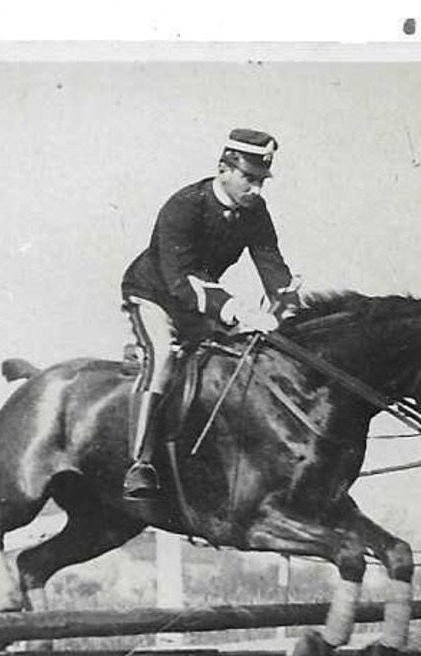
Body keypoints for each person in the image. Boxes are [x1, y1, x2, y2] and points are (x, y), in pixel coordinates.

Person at [119, 127, 299, 499]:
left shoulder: (255, 212)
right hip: (155, 294)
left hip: (199, 300)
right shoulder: (183, 206)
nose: (257, 190)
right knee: (164, 357)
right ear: (223, 169)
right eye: (249, 179)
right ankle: (141, 463)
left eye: (262, 181)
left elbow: (272, 265)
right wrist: (234, 308)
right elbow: (181, 278)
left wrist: (288, 311)